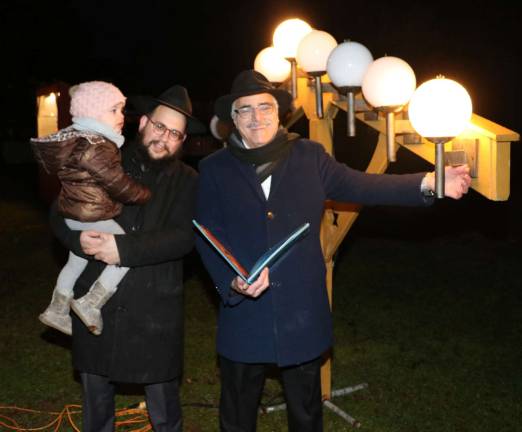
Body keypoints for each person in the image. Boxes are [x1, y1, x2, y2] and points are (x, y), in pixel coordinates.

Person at [194, 70, 472, 432]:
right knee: (237, 415)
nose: (256, 117)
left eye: (264, 107)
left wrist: (429, 182)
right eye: (244, 109)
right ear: (233, 118)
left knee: (307, 413)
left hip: (301, 313)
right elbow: (205, 235)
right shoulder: (214, 169)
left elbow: (364, 185)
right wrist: (231, 282)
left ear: (279, 112)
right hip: (245, 314)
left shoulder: (309, 156)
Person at [49, 85, 205, 432]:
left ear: (182, 142)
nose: (165, 138)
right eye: (160, 127)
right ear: (144, 123)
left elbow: (184, 237)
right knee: (96, 407)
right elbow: (60, 213)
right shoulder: (102, 156)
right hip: (93, 306)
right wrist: (78, 238)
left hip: (155, 309)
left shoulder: (188, 180)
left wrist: (123, 250)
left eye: (176, 134)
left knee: (165, 412)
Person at [32, 81, 151, 336]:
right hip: (91, 214)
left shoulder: (78, 142)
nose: (122, 116)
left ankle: (57, 307)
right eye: (115, 110)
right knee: (125, 251)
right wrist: (144, 194)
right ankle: (91, 302)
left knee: (75, 261)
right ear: (93, 114)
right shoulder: (96, 146)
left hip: (73, 215)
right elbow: (117, 184)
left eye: (122, 110)